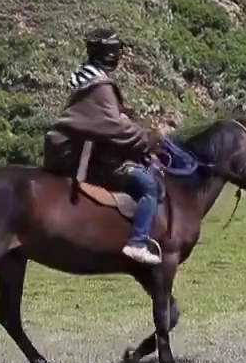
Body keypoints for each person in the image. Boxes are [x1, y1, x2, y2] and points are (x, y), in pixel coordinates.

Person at [41, 29, 166, 265]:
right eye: (117, 50)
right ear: (109, 54)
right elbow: (114, 128)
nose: (119, 55)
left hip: (72, 153)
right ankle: (137, 242)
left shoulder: (86, 80)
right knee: (149, 186)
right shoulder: (100, 87)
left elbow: (105, 119)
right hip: (88, 160)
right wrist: (148, 139)